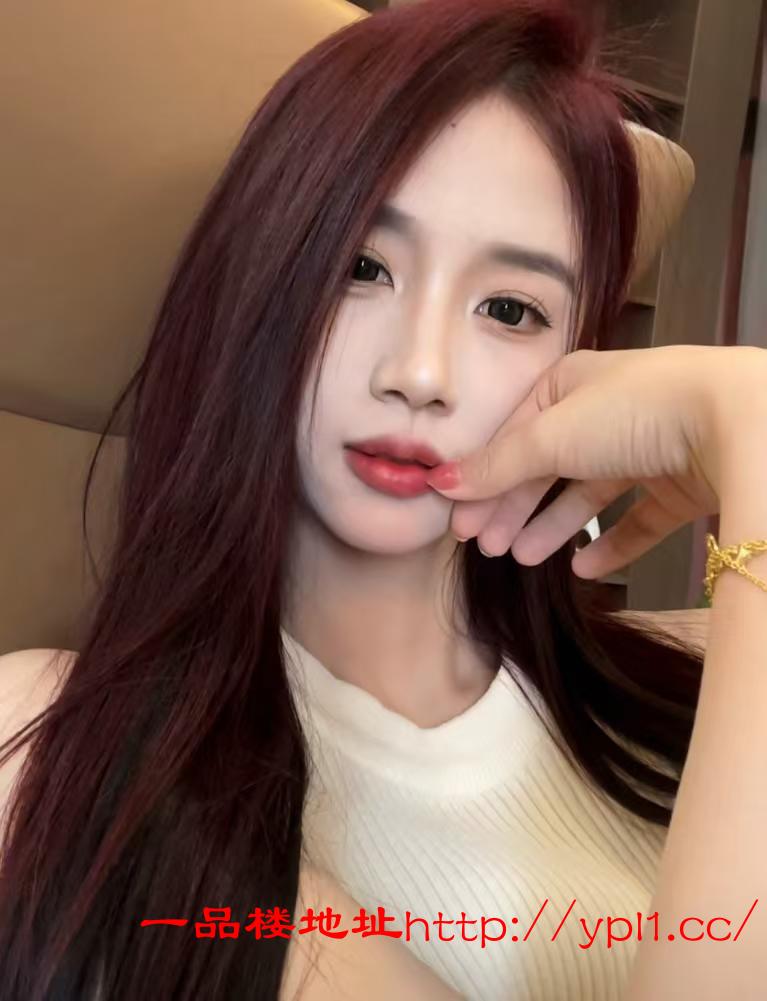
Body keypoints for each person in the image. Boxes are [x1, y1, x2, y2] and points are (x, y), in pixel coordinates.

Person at [2, 0, 761, 998]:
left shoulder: (698, 679)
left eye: (509, 308)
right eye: (360, 267)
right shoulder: (53, 739)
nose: (420, 372)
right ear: (250, 281)